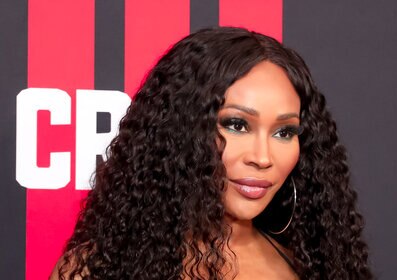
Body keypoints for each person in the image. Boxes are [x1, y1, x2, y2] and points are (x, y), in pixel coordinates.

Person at [50, 26, 372, 280]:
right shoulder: (98, 270)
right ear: (182, 131)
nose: (262, 157)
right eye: (236, 125)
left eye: (284, 132)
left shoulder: (318, 267)